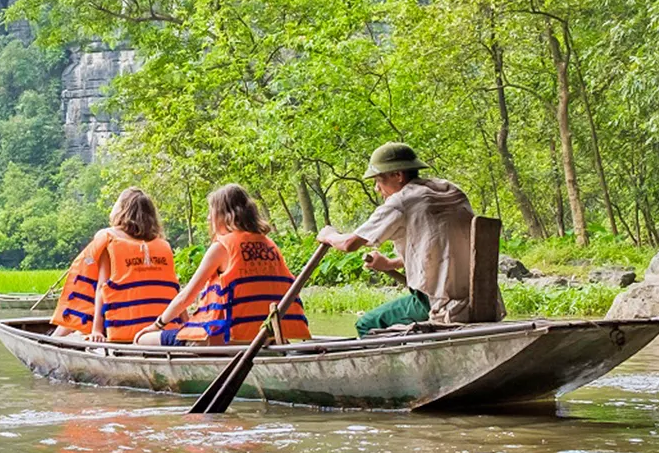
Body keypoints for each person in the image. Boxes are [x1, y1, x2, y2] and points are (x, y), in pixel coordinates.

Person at [317, 141, 500, 335]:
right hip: (483, 300)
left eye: (379, 180)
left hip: (440, 302)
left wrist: (329, 235)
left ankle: (400, 364)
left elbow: (349, 244)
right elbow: (441, 249)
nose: (377, 188)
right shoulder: (451, 190)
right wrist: (390, 264)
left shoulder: (402, 201)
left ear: (398, 175)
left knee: (367, 324)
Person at [134, 184, 312, 346]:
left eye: (211, 211)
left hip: (222, 341)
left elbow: (186, 296)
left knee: (142, 339)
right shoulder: (270, 246)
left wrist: (157, 325)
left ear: (223, 215)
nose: (208, 217)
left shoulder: (222, 247)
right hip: (267, 339)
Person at [48, 188, 181, 342]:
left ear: (122, 210)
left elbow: (102, 287)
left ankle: (52, 340)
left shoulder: (109, 237)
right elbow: (174, 289)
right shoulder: (161, 244)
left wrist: (96, 330)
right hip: (159, 329)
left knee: (80, 308)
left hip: (122, 330)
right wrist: (185, 323)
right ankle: (55, 338)